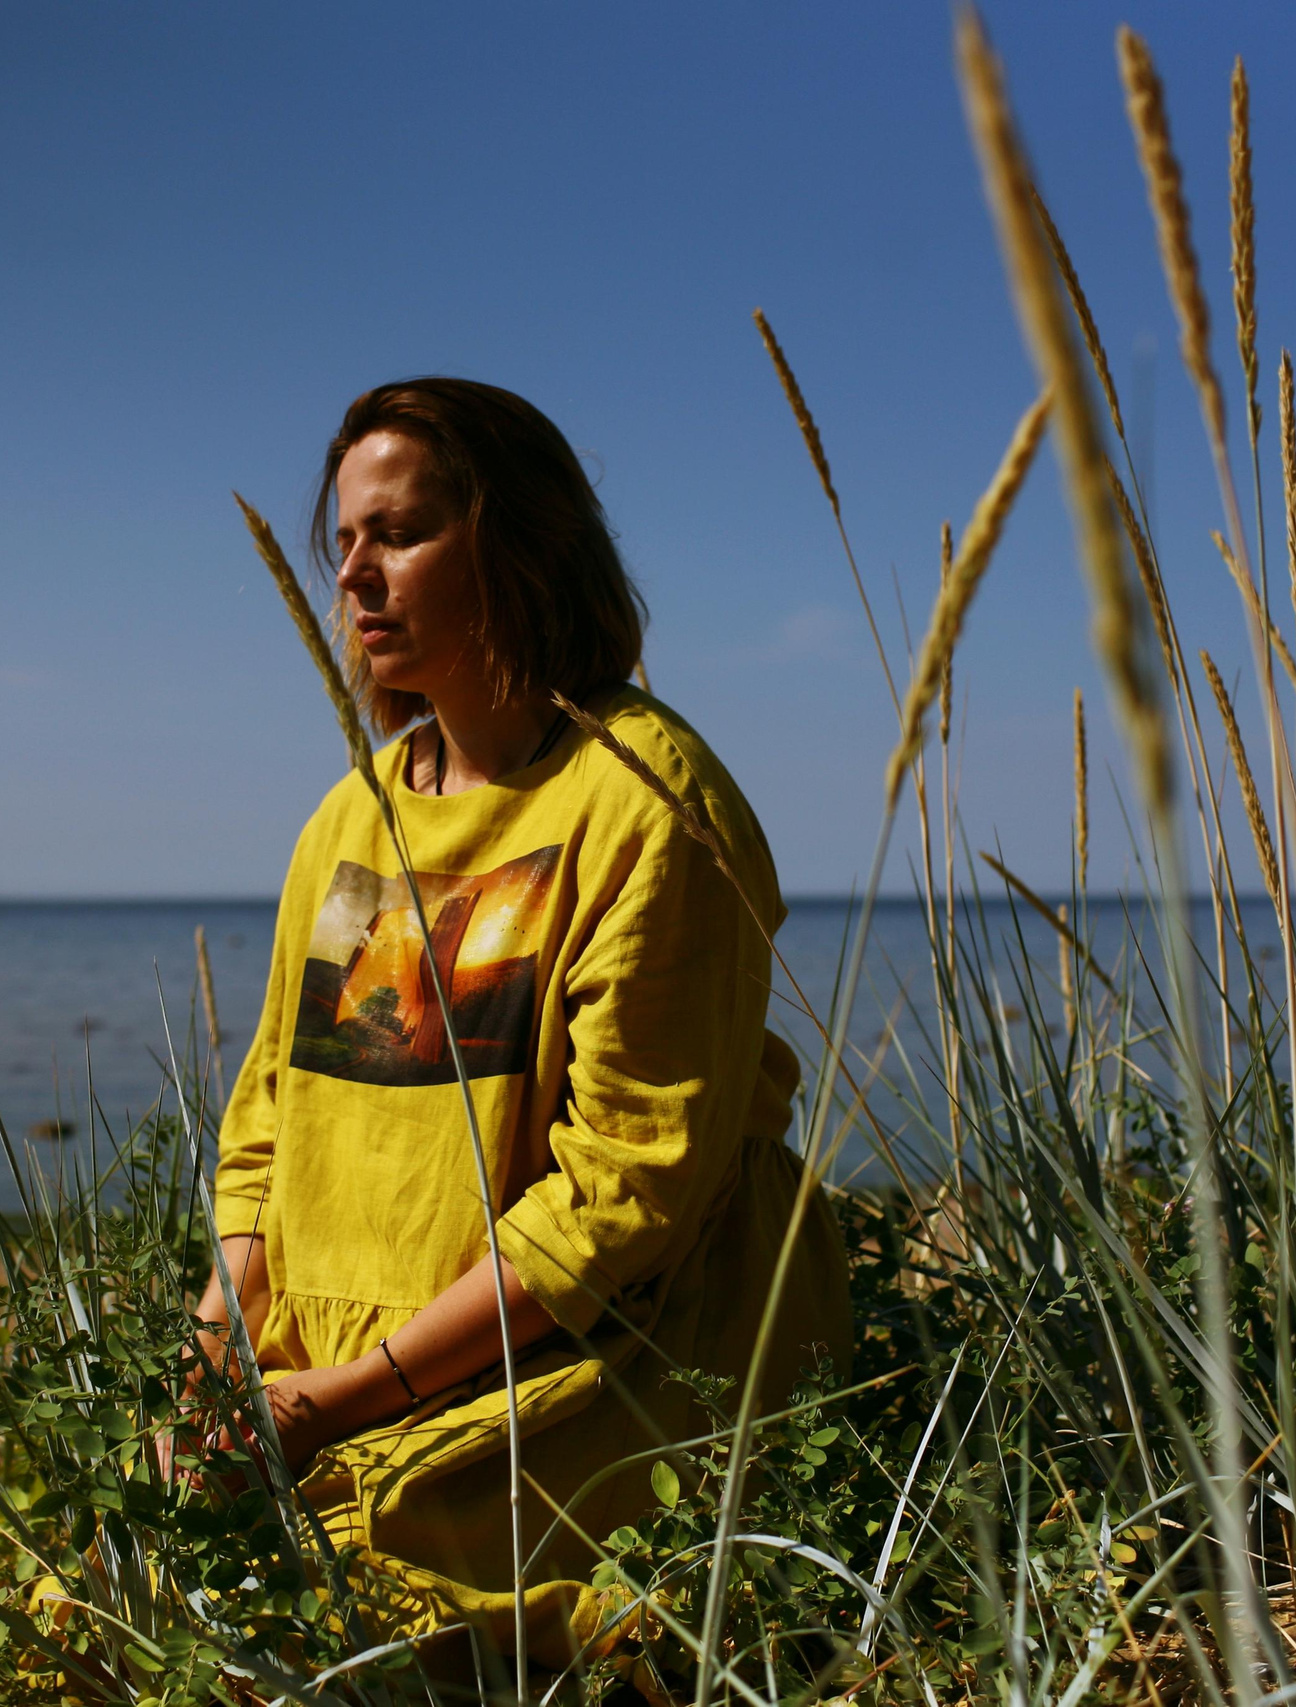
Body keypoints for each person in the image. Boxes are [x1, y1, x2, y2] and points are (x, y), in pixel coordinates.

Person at [195, 376, 851, 1671]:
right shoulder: (352, 816)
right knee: (108, 1573)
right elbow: (270, 1121)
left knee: (337, 1620)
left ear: (519, 544)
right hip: (330, 1368)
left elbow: (628, 1192)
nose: (356, 575)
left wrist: (352, 1399)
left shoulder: (646, 801)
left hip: (595, 1351)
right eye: (345, 541)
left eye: (402, 532)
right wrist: (219, 1359)